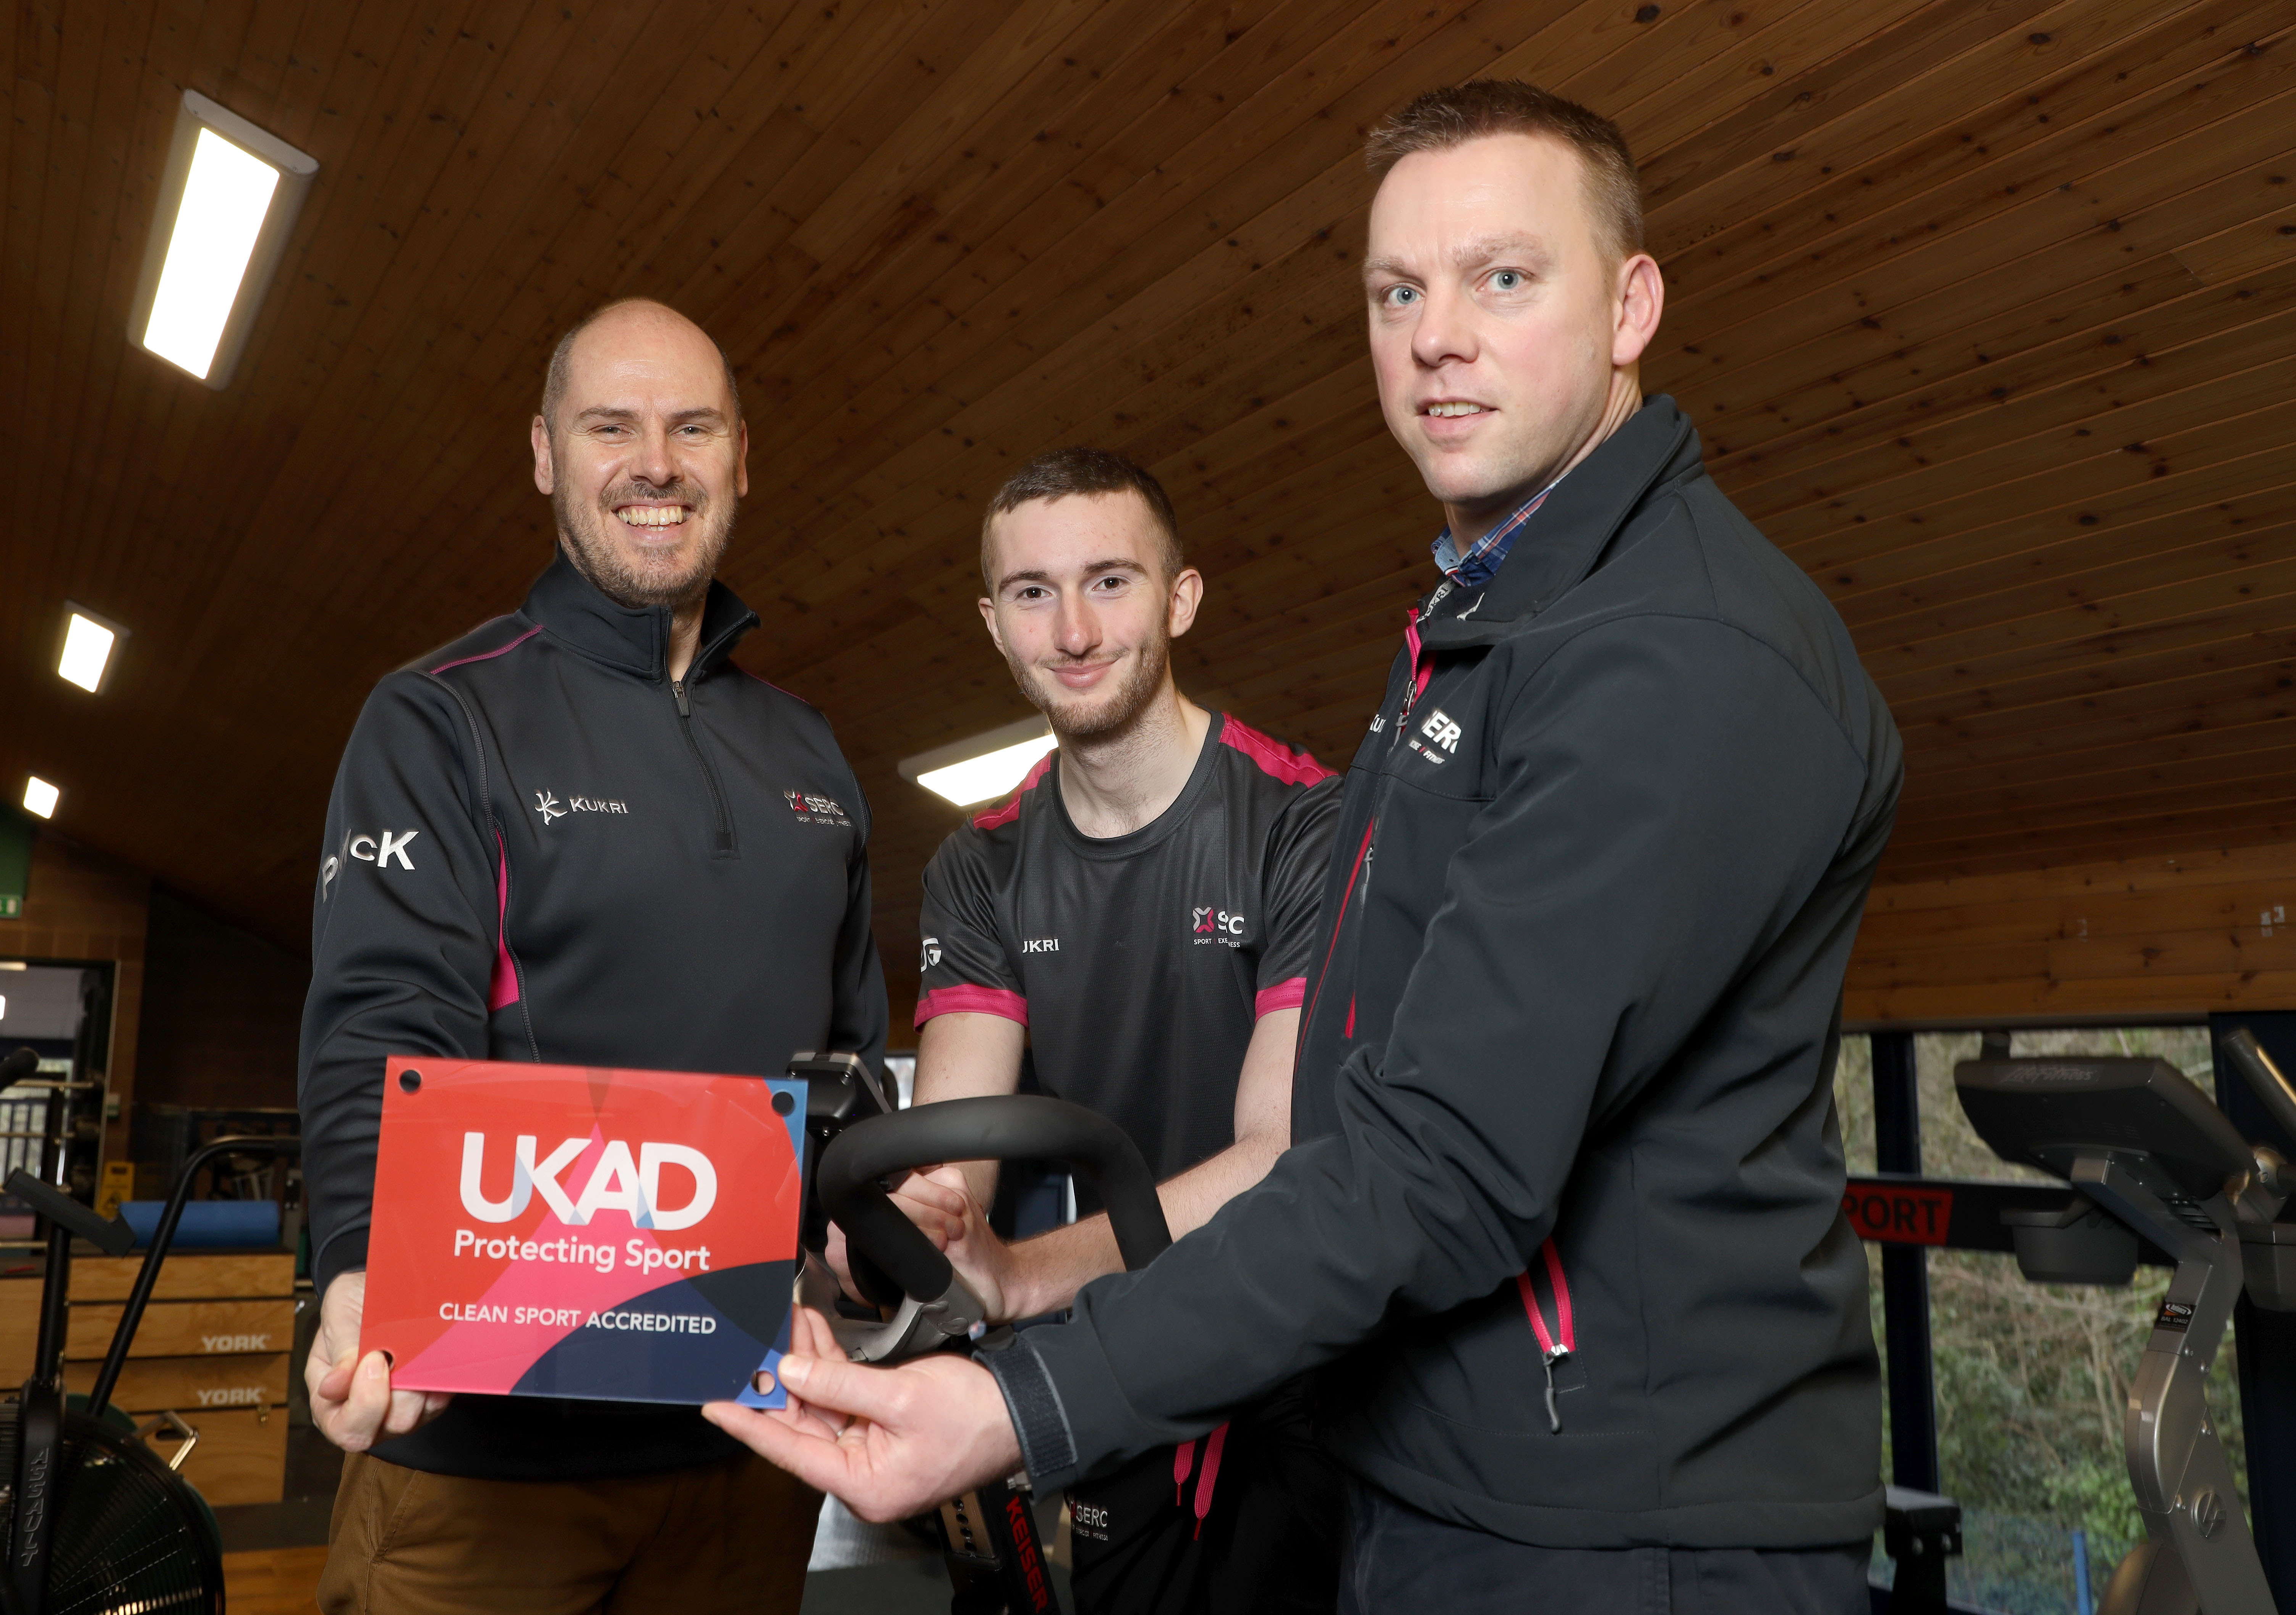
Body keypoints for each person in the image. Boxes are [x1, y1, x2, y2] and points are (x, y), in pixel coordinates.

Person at [711, 80, 1904, 1614]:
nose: (1436, 336)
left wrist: (1027, 1395)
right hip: (1438, 1475)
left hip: (1618, 1529)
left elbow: (1437, 1163)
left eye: (1502, 278)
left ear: (1631, 306)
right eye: (1396, 292)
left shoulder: (1675, 653)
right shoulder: (1486, 635)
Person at [298, 298, 887, 1614]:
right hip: (487, 1458)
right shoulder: (443, 716)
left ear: (741, 453)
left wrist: (867, 1226)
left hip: (749, 1441)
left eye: (692, 427)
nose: (655, 463)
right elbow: (381, 1018)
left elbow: (848, 1058)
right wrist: (353, 1260)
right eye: (609, 425)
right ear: (545, 454)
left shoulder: (811, 752)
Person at [883, 447, 1343, 1612]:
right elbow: (952, 1161)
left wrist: (1023, 1276)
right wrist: (893, 1232)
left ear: (1179, 597)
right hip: (1101, 1378)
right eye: (1033, 593)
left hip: (1290, 1366)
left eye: (1110, 582)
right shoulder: (978, 863)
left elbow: (1278, 1158)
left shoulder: (1305, 823)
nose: (1074, 630)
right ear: (995, 624)